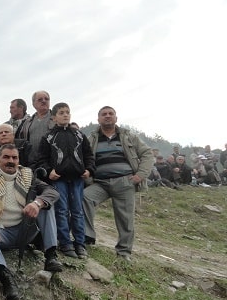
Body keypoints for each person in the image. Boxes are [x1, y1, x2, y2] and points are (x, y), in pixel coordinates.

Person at [0, 144, 63, 300]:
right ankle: (6, 279)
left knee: (45, 206)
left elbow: (52, 192)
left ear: (18, 160)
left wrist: (37, 203)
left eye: (14, 158)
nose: (11, 161)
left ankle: (51, 255)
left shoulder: (28, 176)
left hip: (25, 230)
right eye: (6, 157)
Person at [82, 106, 154, 261]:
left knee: (125, 218)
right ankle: (87, 238)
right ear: (98, 119)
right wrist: (88, 178)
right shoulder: (92, 139)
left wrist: (140, 175)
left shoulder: (128, 136)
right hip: (100, 183)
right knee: (85, 197)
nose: (107, 116)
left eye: (110, 114)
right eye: (104, 114)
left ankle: (124, 253)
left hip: (124, 181)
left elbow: (147, 153)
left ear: (116, 118)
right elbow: (84, 158)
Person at [36, 102, 95, 258]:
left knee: (77, 211)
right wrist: (49, 171)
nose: (65, 115)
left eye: (67, 112)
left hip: (77, 178)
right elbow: (42, 158)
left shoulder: (79, 135)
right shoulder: (48, 137)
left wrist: (89, 169)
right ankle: (65, 243)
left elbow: (89, 155)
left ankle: (80, 244)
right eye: (61, 112)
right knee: (61, 211)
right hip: (59, 179)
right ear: (54, 117)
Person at [21, 91, 56, 164]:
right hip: (33, 164)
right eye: (40, 99)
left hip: (53, 162)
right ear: (33, 104)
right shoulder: (27, 123)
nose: (44, 101)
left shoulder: (57, 119)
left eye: (46, 99)